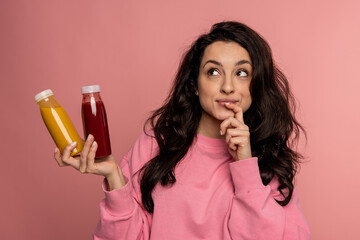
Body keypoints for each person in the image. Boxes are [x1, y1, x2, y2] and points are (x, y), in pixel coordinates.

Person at [54, 21, 311, 239]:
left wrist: (245, 166)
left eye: (242, 73)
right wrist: (113, 176)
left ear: (256, 85)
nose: (228, 87)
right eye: (213, 72)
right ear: (195, 85)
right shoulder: (157, 145)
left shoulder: (268, 159)